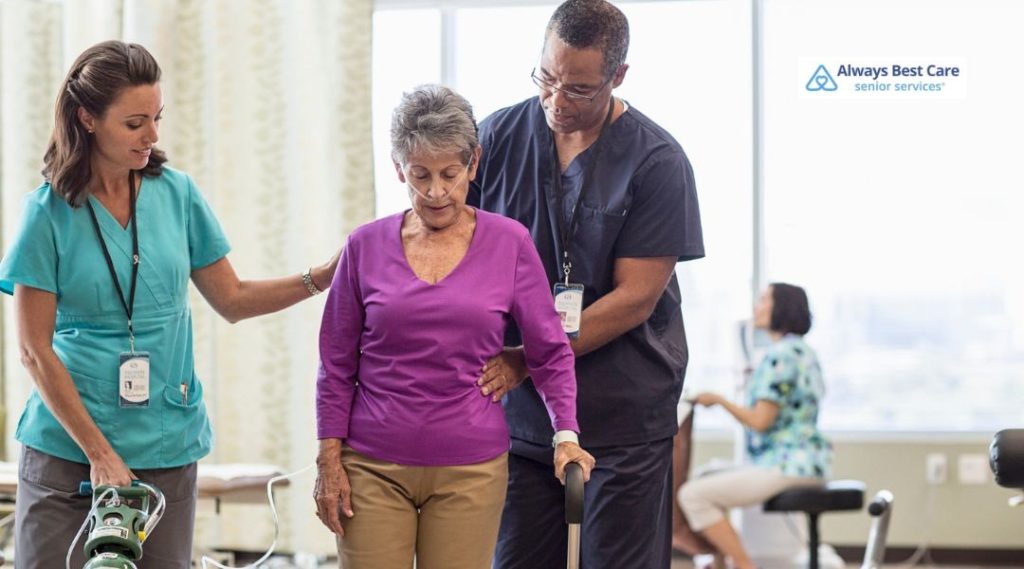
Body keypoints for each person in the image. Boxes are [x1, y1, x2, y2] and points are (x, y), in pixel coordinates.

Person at [0, 40, 339, 568]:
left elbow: (232, 298)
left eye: (156, 118)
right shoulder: (46, 213)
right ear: (87, 118)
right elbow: (32, 350)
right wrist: (98, 454)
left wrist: (321, 277)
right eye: (135, 123)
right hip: (68, 452)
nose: (153, 135)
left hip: (164, 442)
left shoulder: (177, 194)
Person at [312, 84, 596, 569]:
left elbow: (549, 350)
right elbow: (335, 366)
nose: (436, 191)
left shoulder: (509, 243)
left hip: (470, 468)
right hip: (372, 465)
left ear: (473, 164)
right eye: (420, 175)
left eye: (449, 174)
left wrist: (565, 434)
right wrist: (328, 460)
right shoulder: (363, 246)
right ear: (399, 168)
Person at [468, 1, 705, 567]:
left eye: (576, 89)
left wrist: (531, 357)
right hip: (526, 417)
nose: (554, 101)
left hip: (621, 409)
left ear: (617, 77)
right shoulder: (496, 139)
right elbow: (459, 252)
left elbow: (634, 300)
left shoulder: (657, 161)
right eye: (545, 78)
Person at [678, 283, 833, 569]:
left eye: (764, 300)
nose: (756, 307)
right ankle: (720, 560)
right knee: (707, 474)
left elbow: (761, 421)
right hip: (809, 461)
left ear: (781, 308)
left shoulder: (780, 356)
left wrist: (719, 400)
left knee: (692, 495)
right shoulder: (803, 352)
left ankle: (743, 564)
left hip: (789, 464)